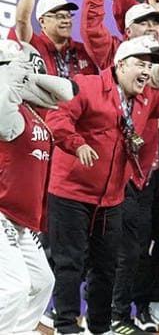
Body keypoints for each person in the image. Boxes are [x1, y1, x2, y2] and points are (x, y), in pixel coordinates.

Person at [45, 36, 159, 335]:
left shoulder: (146, 98)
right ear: (120, 65)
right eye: (140, 64)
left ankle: (100, 326)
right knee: (70, 264)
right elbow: (57, 117)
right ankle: (65, 326)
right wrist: (76, 144)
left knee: (106, 266)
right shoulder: (88, 85)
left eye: (149, 66)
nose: (146, 71)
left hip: (112, 197)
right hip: (72, 194)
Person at [0, 41, 75, 334]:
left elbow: (65, 93)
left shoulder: (30, 111)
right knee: (15, 287)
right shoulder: (8, 107)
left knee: (44, 281)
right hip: (1, 211)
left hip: (17, 217)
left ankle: (18, 330)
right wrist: (7, 76)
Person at [13, 0, 98, 77]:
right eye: (59, 16)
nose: (66, 21)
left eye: (68, 15)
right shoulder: (33, 45)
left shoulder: (83, 51)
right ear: (42, 21)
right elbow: (22, 20)